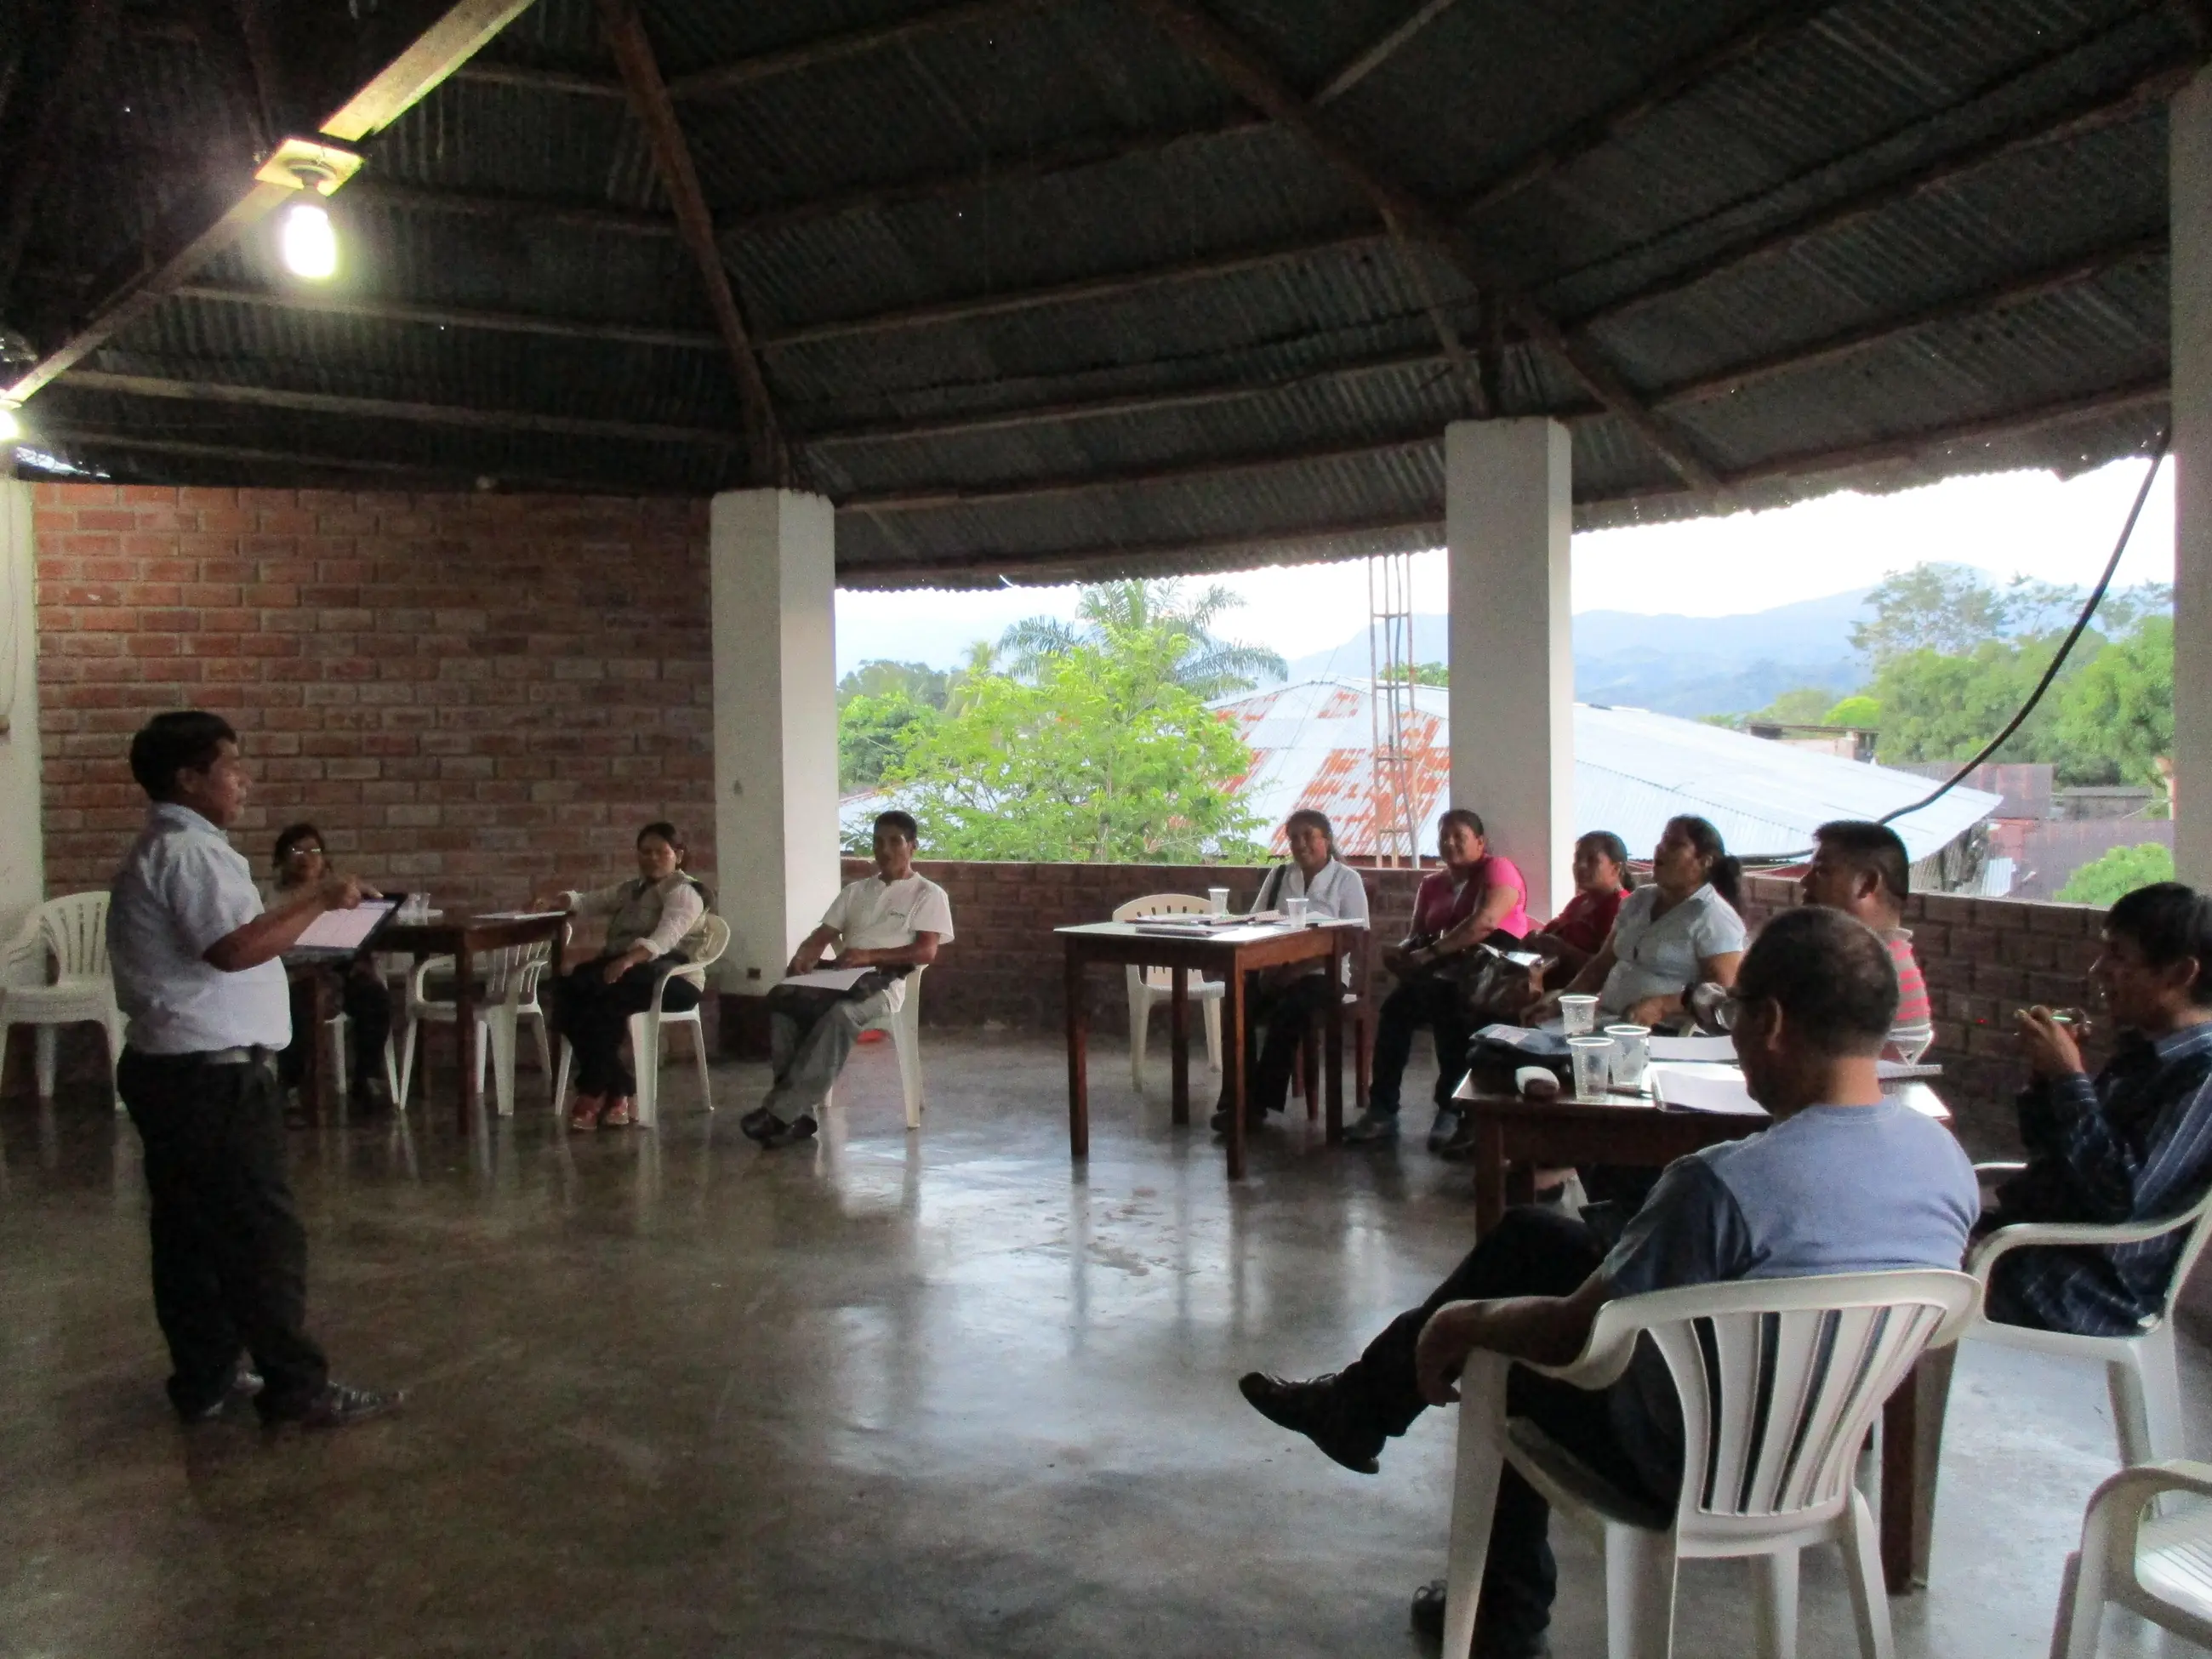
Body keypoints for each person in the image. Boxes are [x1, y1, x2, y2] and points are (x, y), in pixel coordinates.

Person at [1235, 906, 1977, 1656]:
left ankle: (1504, 1614)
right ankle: (1357, 1408)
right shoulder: (1944, 1164)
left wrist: (1457, 1323)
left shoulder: (1721, 1185)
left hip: (1690, 1459)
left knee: (1505, 1350)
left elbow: (1570, 1334)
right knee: (1535, 1238)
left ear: (1772, 1022)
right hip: (1817, 1449)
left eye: (1734, 1013)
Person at [107, 711, 401, 1430]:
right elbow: (232, 950)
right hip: (211, 1078)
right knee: (262, 1236)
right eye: (230, 765)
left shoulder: (172, 848)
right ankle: (296, 1387)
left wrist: (301, 921)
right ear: (188, 778)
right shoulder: (191, 853)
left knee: (190, 1234)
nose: (243, 779)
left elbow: (239, 940)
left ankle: (205, 1376)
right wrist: (318, 898)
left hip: (175, 1069)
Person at [1980, 881, 2212, 1336]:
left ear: (2180, 973)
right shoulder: (2146, 1053)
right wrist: (2048, 1079)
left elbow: (2116, 1199)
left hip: (2087, 1284)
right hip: (2039, 1245)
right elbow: (2053, 1152)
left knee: (1902, 1275)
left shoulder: (2201, 1076)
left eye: (2117, 955)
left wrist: (2070, 1079)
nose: (2098, 970)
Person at [743, 811, 954, 1150]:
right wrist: (805, 955)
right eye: (878, 842)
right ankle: (796, 1115)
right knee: (784, 1005)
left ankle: (780, 1112)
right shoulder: (856, 891)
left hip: (886, 983)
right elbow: (822, 935)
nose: (885, 850)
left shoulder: (927, 894)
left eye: (895, 842)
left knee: (841, 1015)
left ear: (912, 846)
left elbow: (926, 951)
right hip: (842, 977)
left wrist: (870, 957)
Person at [1343, 808, 1531, 1151]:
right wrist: (1401, 953)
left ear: (1480, 842)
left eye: (1459, 836)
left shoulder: (1497, 868)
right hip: (1441, 972)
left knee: (1451, 1008)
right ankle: (1382, 1109)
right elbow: (1415, 936)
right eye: (1444, 836)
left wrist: (1431, 953)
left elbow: (1486, 922)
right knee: (1395, 1009)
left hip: (1488, 977)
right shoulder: (1431, 884)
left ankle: (1452, 1109)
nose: (1450, 842)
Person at [539, 821, 714, 1132]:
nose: (652, 858)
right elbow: (588, 901)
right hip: (630, 974)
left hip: (672, 978)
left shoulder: (685, 892)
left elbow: (664, 938)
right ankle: (618, 1087)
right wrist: (554, 903)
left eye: (660, 852)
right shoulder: (632, 889)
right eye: (645, 852)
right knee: (568, 991)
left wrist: (629, 959)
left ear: (678, 855)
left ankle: (595, 1089)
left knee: (600, 998)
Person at [1208, 810, 1371, 1133]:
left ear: (1327, 839)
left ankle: (1257, 1104)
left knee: (1291, 1009)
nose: (1301, 844)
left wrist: (1295, 971)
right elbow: (1256, 922)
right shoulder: (1280, 875)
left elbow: (1353, 938)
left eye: (1309, 836)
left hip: (1323, 976)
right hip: (1275, 969)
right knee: (1238, 1003)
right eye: (1294, 838)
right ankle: (1236, 1097)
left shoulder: (1346, 879)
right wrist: (1269, 968)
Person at [1539, 814, 1746, 1029]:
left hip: (1665, 1034)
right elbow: (1600, 966)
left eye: (1675, 844)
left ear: (1704, 861)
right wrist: (1560, 1003)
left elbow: (1722, 995)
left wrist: (1663, 1005)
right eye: (1662, 840)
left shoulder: (1714, 917)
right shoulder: (1639, 900)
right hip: (1607, 1021)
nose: (1660, 849)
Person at [268, 822, 395, 1111]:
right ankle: (292, 1085)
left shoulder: (338, 894)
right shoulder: (271, 898)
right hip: (294, 972)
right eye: (296, 851)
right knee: (300, 1003)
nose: (306, 858)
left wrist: (365, 894)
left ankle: (367, 1078)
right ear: (280, 860)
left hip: (337, 970)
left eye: (314, 851)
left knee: (373, 997)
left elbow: (374, 915)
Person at [1797, 819, 1932, 1049]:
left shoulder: (1859, 970)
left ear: (1867, 883)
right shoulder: (1890, 958)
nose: (1804, 881)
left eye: (1822, 871)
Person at [1523, 830, 1633, 989]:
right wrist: (1537, 938)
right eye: (1578, 859)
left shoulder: (1622, 906)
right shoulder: (1580, 901)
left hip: (1580, 991)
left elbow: (1608, 968)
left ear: (1616, 868)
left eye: (1591, 860)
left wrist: (1562, 950)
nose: (1581, 866)